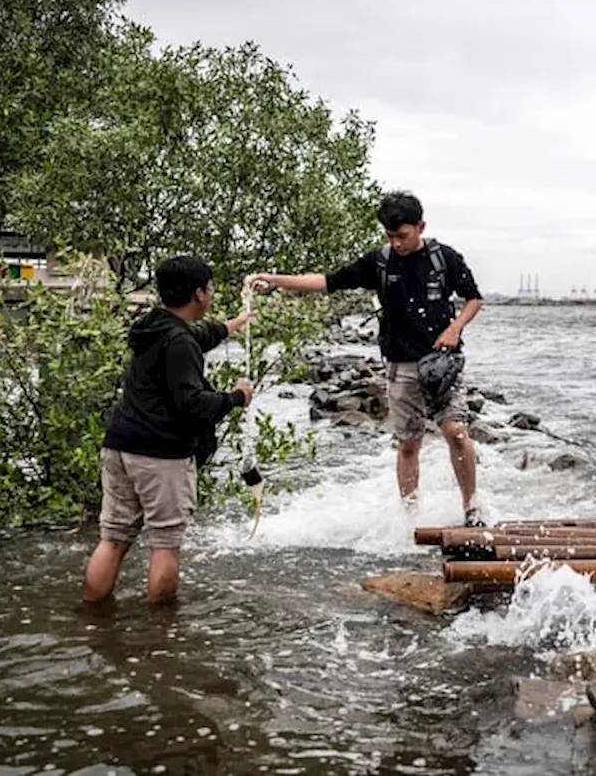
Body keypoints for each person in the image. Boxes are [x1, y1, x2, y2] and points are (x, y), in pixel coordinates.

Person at [249, 190, 486, 525]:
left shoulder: (444, 258)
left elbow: (474, 299)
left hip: (442, 363)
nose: (398, 243)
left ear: (421, 226)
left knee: (456, 431)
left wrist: (455, 328)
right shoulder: (380, 261)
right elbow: (328, 281)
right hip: (400, 365)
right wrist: (275, 280)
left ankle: (471, 508)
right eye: (390, 236)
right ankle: (410, 518)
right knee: (408, 446)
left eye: (403, 236)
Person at [83, 255, 254, 605]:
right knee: (165, 544)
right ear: (199, 294)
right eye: (210, 287)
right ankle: (161, 639)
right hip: (159, 456)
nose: (211, 293)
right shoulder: (180, 342)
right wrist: (236, 397)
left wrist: (232, 325)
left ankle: (92, 619)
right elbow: (191, 404)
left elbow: (193, 336)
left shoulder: (153, 326)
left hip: (120, 446)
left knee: (113, 539)